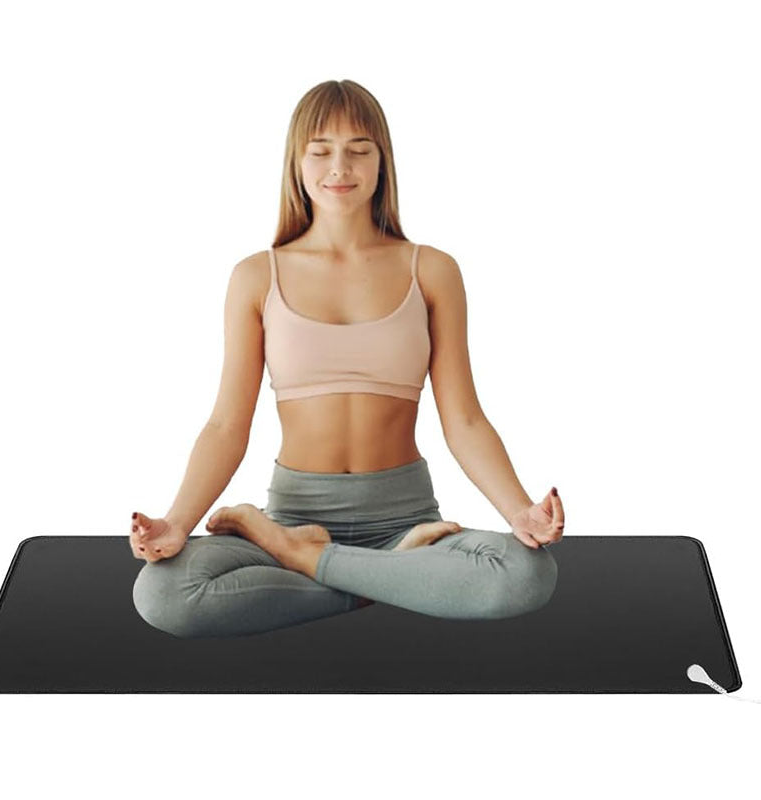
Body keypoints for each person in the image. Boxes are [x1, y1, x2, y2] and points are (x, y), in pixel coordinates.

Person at [130, 79, 564, 639]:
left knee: (525, 575)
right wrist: (177, 522)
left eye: (360, 149)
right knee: (164, 594)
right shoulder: (256, 277)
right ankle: (373, 570)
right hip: (296, 510)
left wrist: (519, 511)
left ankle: (296, 556)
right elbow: (224, 425)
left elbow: (465, 420)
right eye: (321, 150)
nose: (341, 166)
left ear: (382, 162)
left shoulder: (431, 270)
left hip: (406, 517)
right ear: (297, 162)